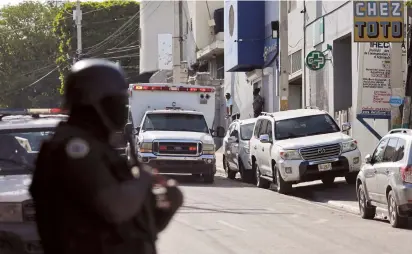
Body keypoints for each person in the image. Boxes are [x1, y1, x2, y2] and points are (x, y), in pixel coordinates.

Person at [29, 59, 183, 254]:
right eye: (116, 101)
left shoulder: (101, 149)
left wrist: (167, 208)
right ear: (92, 102)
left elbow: (132, 230)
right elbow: (114, 207)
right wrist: (142, 180)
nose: (122, 108)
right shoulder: (73, 148)